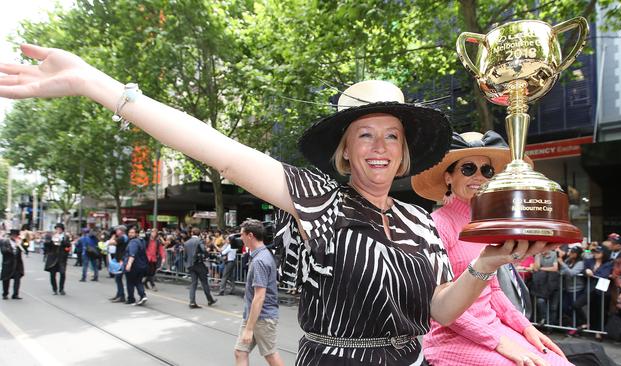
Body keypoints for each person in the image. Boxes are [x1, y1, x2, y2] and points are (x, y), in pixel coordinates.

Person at [0, 47, 557, 365]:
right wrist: (97, 85)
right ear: (344, 150)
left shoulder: (418, 219)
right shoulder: (316, 200)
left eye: (392, 135)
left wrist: (485, 266)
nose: (381, 146)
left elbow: (439, 311)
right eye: (365, 134)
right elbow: (214, 146)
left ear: (407, 150)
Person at [412, 131, 568, 366]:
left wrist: (527, 328)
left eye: (486, 171)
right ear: (448, 177)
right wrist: (498, 341)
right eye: (468, 169)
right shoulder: (437, 225)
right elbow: (438, 306)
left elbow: (493, 291)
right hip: (451, 339)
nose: (478, 176)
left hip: (494, 329)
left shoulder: (483, 226)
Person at [234, 219, 283, 366]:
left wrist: (249, 329)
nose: (240, 238)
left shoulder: (260, 260)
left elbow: (259, 296)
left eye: (241, 234)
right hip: (255, 315)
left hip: (262, 317)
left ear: (250, 236)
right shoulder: (260, 256)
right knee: (240, 352)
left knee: (271, 355)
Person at [570, 245, 613, 340]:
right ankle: (586, 323)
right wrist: (586, 271)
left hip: (602, 289)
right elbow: (584, 270)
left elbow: (604, 274)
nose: (596, 254)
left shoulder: (609, 263)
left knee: (600, 311)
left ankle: (599, 331)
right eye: (595, 252)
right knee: (577, 305)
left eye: (598, 252)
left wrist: (592, 273)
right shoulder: (589, 261)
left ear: (603, 254)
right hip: (590, 288)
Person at [183, 227, 216, 309]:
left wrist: (187, 264)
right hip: (199, 264)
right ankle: (210, 299)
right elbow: (203, 250)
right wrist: (207, 255)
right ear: (199, 233)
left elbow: (185, 256)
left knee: (193, 283)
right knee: (204, 282)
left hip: (191, 265)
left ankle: (192, 302)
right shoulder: (199, 241)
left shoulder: (186, 243)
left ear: (192, 233)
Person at [530, 250, 561, 326]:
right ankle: (546, 321)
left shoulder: (554, 254)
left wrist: (542, 268)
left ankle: (551, 327)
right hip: (542, 285)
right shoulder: (539, 255)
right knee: (540, 302)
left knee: (553, 307)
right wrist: (538, 256)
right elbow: (536, 268)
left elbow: (555, 268)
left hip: (553, 283)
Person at [557, 246, 585, 329]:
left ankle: (577, 325)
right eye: (570, 252)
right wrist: (564, 265)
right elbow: (562, 272)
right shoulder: (568, 261)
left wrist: (562, 263)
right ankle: (571, 323)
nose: (570, 254)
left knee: (575, 307)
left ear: (577, 254)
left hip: (577, 289)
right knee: (564, 307)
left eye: (573, 252)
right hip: (568, 288)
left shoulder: (580, 263)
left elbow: (572, 273)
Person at [44, 223, 72, 295]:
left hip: (62, 258)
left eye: (60, 229)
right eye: (57, 229)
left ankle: (61, 289)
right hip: (53, 257)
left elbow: (68, 246)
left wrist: (62, 242)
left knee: (62, 273)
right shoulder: (52, 236)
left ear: (62, 230)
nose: (58, 230)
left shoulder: (65, 237)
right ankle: (54, 289)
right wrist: (51, 241)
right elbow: (47, 246)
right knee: (52, 274)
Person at [124, 226, 148, 306]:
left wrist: (129, 264)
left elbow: (132, 254)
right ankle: (143, 295)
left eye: (132, 233)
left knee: (130, 282)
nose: (130, 234)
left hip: (134, 266)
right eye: (129, 232)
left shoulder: (133, 242)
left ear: (136, 234)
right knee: (138, 281)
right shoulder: (142, 241)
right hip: (141, 265)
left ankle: (131, 299)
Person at [1, 230, 25, 300]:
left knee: (17, 279)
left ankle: (15, 294)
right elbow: (3, 251)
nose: (15, 237)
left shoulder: (20, 242)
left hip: (17, 264)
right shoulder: (5, 242)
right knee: (6, 279)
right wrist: (12, 248)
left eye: (16, 235)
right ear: (10, 236)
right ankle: (5, 294)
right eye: (13, 235)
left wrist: (23, 241)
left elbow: (26, 247)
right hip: (8, 263)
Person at [108, 225, 128, 302]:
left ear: (121, 231)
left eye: (117, 230)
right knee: (117, 278)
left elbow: (110, 242)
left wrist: (113, 236)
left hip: (121, 260)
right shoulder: (124, 237)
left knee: (118, 278)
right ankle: (119, 294)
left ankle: (121, 296)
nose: (116, 231)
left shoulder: (122, 237)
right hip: (121, 259)